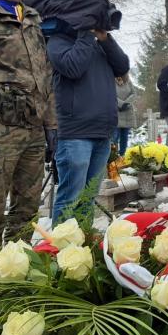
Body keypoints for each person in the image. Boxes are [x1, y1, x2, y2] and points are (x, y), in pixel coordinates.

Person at [0, 0, 57, 258]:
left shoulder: (33, 20)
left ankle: (16, 274)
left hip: (33, 132)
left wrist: (51, 128)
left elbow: (44, 76)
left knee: (27, 212)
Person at [47, 14, 129, 224]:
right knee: (70, 198)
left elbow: (122, 66)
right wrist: (84, 32)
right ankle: (60, 251)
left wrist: (104, 38)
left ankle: (81, 248)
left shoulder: (99, 44)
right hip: (75, 134)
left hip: (102, 132)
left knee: (88, 198)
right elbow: (73, 67)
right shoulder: (58, 41)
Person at [114, 74, 137, 156]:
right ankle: (113, 158)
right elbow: (110, 94)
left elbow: (134, 94)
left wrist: (126, 103)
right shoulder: (111, 80)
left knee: (124, 137)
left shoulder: (128, 81)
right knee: (114, 137)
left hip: (127, 111)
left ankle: (122, 156)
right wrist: (120, 104)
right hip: (116, 111)